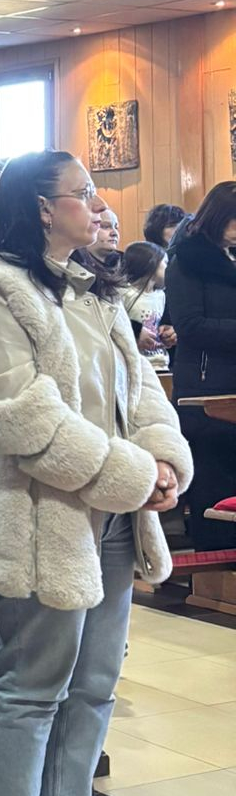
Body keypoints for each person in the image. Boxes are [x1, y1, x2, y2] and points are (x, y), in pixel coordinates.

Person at [0, 151, 189, 796]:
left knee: (94, 682)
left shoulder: (93, 287)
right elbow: (28, 423)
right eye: (83, 194)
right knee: (32, 681)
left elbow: (141, 388)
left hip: (113, 514)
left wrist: (162, 460)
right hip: (40, 514)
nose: (99, 205)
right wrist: (135, 475)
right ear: (42, 208)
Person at [164, 180, 236, 551]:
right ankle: (214, 566)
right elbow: (189, 326)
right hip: (205, 387)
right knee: (213, 482)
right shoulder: (187, 261)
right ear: (217, 217)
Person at [121, 241, 173, 363]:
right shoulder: (124, 293)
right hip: (135, 362)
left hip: (160, 361)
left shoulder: (161, 295)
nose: (169, 269)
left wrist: (166, 333)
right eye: (165, 263)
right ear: (152, 264)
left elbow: (158, 324)